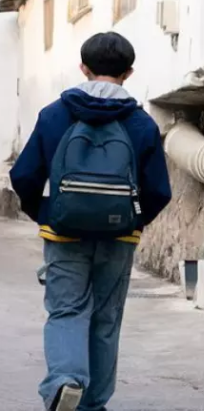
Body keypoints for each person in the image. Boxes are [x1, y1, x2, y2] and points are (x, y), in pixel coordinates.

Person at [10, 32, 172, 411]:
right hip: (119, 237)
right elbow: (159, 190)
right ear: (129, 73)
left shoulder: (54, 115)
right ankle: (93, 403)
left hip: (64, 234)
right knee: (105, 318)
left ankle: (66, 379)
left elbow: (24, 175)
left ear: (83, 68)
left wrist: (46, 214)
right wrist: (132, 220)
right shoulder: (141, 124)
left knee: (66, 310)